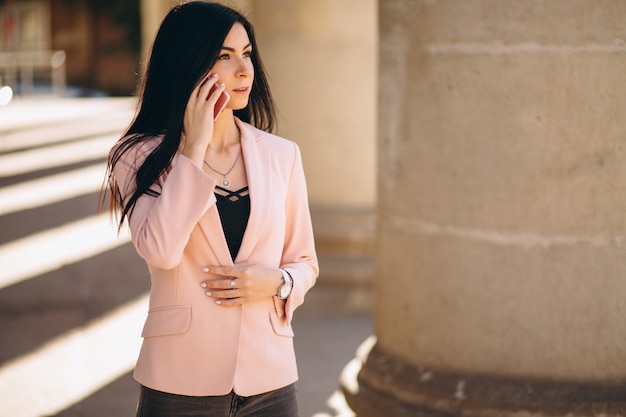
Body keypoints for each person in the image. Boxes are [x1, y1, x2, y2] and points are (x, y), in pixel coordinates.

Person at [103, 2, 318, 416]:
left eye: (247, 53)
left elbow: (305, 262)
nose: (244, 70)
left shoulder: (281, 155)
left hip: (270, 379)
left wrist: (277, 282)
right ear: (189, 62)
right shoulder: (136, 156)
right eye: (224, 55)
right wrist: (195, 146)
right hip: (179, 380)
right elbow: (161, 250)